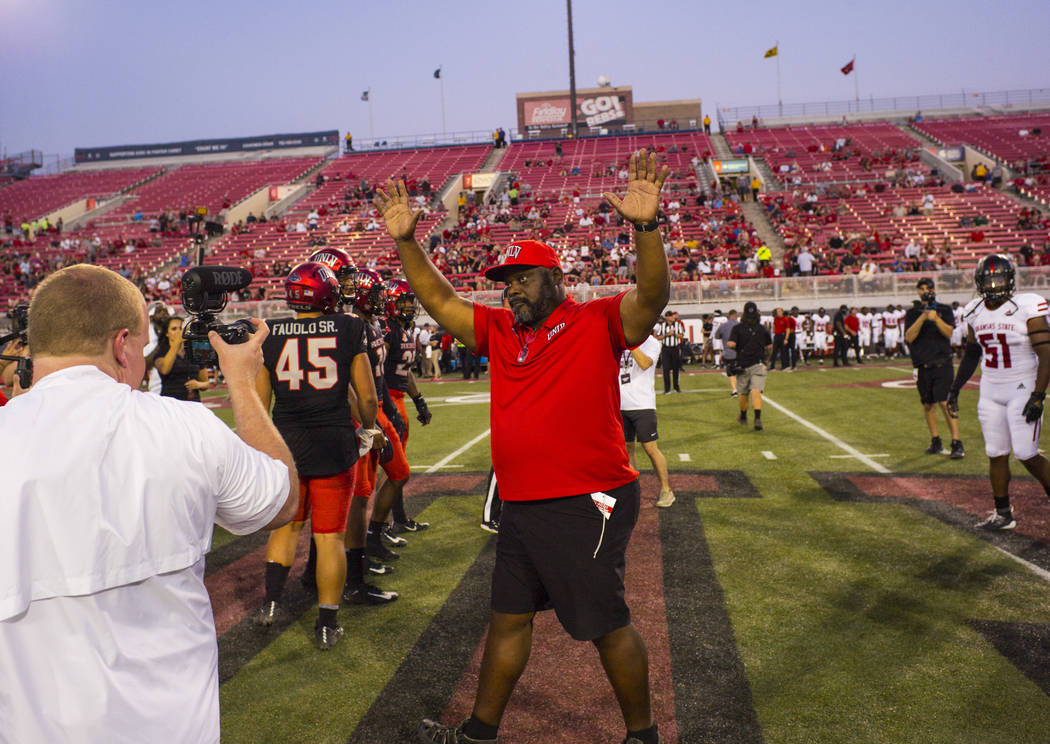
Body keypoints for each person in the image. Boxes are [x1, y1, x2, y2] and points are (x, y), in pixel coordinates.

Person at [374, 148, 669, 744]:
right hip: (525, 502)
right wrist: (408, 243)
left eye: (522, 279)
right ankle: (480, 733)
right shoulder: (501, 330)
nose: (511, 291)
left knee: (604, 623)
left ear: (555, 278)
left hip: (590, 500)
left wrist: (645, 229)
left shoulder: (596, 319)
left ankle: (643, 735)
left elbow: (651, 299)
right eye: (505, 283)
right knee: (506, 620)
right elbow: (441, 302)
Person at [0, 264, 298, 742]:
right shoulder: (184, 427)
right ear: (122, 344)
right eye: (142, 345)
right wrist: (243, 383)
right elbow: (279, 502)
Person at [251, 261, 379, 649]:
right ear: (325, 294)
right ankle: (326, 624)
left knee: (285, 528)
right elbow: (368, 397)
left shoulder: (270, 334)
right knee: (329, 539)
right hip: (333, 444)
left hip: (287, 444)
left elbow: (259, 400)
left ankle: (270, 605)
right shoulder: (349, 326)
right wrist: (370, 426)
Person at [948, 255, 1050, 529]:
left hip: (1022, 386)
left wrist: (1038, 395)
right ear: (979, 282)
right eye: (989, 280)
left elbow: (1046, 352)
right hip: (991, 388)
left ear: (1010, 280)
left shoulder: (1027, 306)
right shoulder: (973, 310)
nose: (994, 285)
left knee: (1026, 453)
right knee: (996, 452)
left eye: (1000, 279)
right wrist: (955, 389)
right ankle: (1003, 513)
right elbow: (971, 354)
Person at [384, 278, 433, 532]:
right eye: (403, 301)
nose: (409, 306)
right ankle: (379, 526)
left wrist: (419, 400)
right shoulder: (386, 330)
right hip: (386, 399)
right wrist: (388, 407)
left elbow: (407, 372)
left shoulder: (405, 329)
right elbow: (376, 371)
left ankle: (399, 520)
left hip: (399, 398)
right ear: (392, 303)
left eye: (410, 301)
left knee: (399, 466)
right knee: (392, 468)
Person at [904, 278, 964, 459]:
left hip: (942, 362)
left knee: (945, 403)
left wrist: (935, 318)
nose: (925, 291)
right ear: (917, 291)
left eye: (928, 288)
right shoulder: (913, 313)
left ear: (934, 290)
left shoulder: (944, 310)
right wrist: (923, 317)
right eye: (921, 288)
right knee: (928, 404)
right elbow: (909, 336)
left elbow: (949, 333)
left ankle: (956, 442)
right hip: (923, 364)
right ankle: (935, 440)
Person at [619, 334, 674, 507]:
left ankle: (666, 490)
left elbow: (644, 363)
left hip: (642, 405)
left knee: (651, 449)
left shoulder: (652, 343)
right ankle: (632, 490)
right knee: (627, 450)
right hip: (620, 404)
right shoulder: (618, 341)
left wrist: (629, 343)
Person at [728, 301, 772, 430]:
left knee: (743, 394)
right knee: (756, 391)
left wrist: (737, 346)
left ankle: (743, 415)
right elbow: (769, 347)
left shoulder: (737, 328)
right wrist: (767, 360)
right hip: (759, 363)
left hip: (743, 364)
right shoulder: (763, 329)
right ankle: (757, 418)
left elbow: (731, 344)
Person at [155, 315, 211, 400]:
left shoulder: (194, 351)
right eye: (174, 329)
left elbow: (206, 383)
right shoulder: (161, 353)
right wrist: (178, 342)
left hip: (192, 405)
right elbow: (164, 369)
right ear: (167, 333)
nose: (179, 331)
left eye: (181, 328)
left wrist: (198, 384)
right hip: (171, 405)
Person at [654, 309, 685, 393]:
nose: (673, 317)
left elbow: (682, 336)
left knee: (676, 368)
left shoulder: (678, 325)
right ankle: (667, 389)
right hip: (666, 349)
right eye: (671, 316)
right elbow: (657, 337)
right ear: (667, 317)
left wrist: (674, 334)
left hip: (675, 348)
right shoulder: (662, 325)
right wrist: (667, 335)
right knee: (666, 369)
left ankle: (676, 387)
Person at [714, 309, 740, 396]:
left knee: (731, 371)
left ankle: (734, 390)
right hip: (741, 352)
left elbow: (717, 336)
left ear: (729, 316)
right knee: (743, 370)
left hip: (728, 353)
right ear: (736, 316)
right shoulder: (741, 325)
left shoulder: (723, 326)